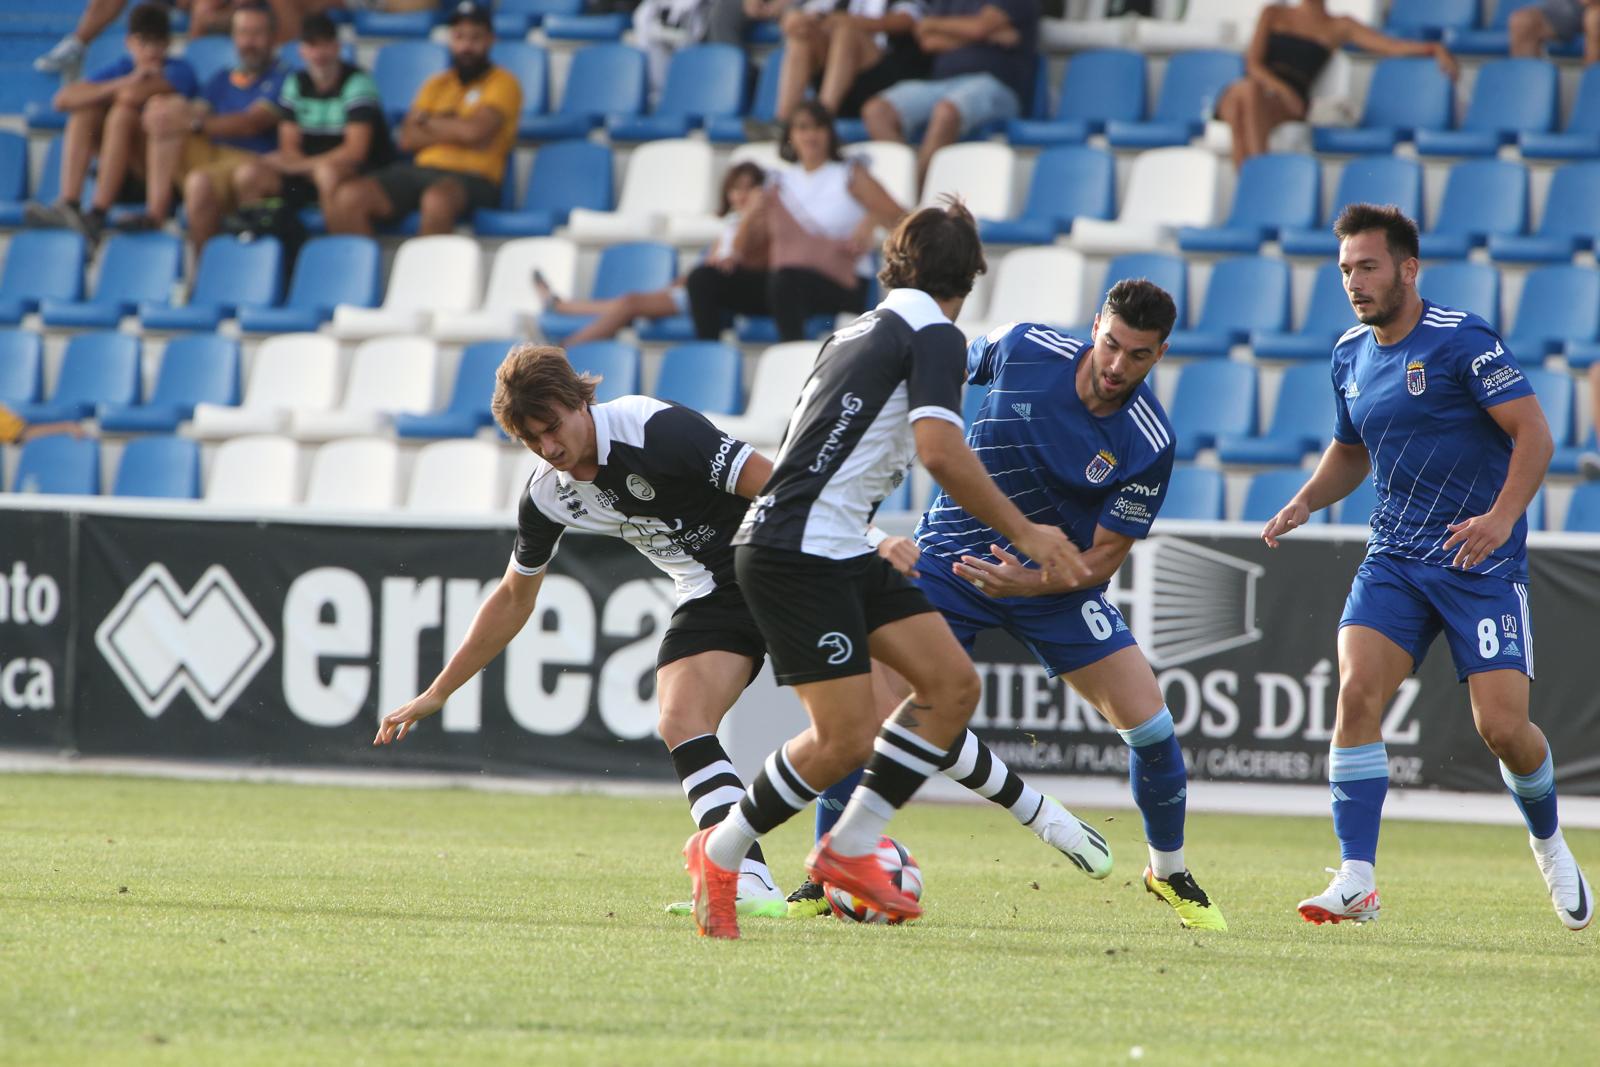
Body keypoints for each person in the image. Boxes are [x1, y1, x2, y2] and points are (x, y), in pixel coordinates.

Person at [375, 344, 1106, 920]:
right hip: (711, 592)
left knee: (897, 710)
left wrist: (874, 538)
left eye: (552, 427)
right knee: (679, 716)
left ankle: (1053, 821)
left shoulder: (657, 428)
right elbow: (512, 597)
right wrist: (436, 692)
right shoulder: (548, 494)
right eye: (531, 439)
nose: (548, 447)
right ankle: (746, 877)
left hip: (784, 560)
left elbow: (780, 482)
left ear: (578, 400)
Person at [681, 199, 1089, 940]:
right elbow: (938, 450)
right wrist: (1027, 530)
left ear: (894, 262)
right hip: (798, 548)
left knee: (952, 684)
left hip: (828, 540)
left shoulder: (855, 330)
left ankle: (843, 847)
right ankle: (728, 848)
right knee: (844, 738)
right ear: (969, 276)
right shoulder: (934, 329)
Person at [795, 288, 1232, 930]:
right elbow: (939, 372)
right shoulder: (1025, 347)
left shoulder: (1149, 440)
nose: (1117, 366)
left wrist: (1029, 584)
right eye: (1110, 345)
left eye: (1138, 356)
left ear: (1160, 354)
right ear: (1095, 329)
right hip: (950, 559)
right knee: (867, 712)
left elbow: (1104, 560)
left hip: (1055, 586)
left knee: (1152, 729)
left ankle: (1167, 872)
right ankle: (825, 872)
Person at [1260, 203, 1592, 931]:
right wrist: (1306, 500)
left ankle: (1550, 843)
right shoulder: (1349, 351)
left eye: (1368, 266)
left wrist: (1502, 517)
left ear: (1409, 269)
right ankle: (1357, 877)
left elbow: (1534, 431)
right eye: (1346, 268)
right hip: (1396, 557)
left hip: (1480, 560)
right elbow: (1352, 449)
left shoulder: (1462, 339)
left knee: (1503, 730)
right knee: (1354, 691)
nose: (1354, 281)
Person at [685, 102, 906, 343]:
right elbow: (750, 243)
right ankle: (710, 359)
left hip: (841, 283)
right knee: (702, 279)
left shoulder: (850, 174)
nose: (810, 135)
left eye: (818, 127)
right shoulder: (779, 182)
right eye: (802, 128)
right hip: (783, 284)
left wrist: (871, 220)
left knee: (786, 281)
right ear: (790, 135)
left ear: (829, 133)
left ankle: (791, 358)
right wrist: (750, 216)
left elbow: (902, 218)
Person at [326, 2, 520, 237]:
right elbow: (408, 138)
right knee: (349, 198)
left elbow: (475, 132)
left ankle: (423, 273)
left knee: (437, 199)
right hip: (421, 171)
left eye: (475, 38)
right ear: (450, 40)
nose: (466, 46)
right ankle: (369, 271)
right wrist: (457, 125)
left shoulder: (504, 82)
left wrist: (428, 121)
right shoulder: (436, 83)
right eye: (459, 37)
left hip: (476, 178)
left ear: (491, 40)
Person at [119, 2, 290, 249]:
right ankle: (155, 212)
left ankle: (200, 272)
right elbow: (197, 110)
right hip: (213, 156)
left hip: (252, 159)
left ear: (273, 38)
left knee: (199, 182)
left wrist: (194, 123)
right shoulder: (224, 76)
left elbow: (252, 123)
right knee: (164, 107)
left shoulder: (282, 76)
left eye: (257, 33)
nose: (249, 42)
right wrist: (170, 113)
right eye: (242, 33)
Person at [536, 164, 766, 346]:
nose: (741, 196)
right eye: (735, 189)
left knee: (629, 304)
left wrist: (751, 214)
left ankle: (564, 346)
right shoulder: (730, 225)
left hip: (710, 298)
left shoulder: (756, 225)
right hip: (693, 291)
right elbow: (710, 264)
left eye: (748, 189)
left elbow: (736, 258)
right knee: (622, 303)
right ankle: (561, 307)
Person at [24, 3, 199, 243]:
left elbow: (132, 97)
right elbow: (63, 99)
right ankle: (70, 202)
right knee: (85, 112)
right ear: (130, 43)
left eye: (158, 43)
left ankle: (98, 212)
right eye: (144, 42)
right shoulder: (123, 69)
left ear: (168, 44)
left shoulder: (179, 70)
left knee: (122, 114)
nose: (151, 51)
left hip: (158, 176)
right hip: (122, 173)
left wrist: (115, 89)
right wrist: (124, 81)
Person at [1216, 0, 1457, 170]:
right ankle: (1258, 177)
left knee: (1243, 103)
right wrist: (1281, 89)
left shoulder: (1339, 25)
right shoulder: (1273, 13)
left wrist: (1432, 48)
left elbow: (1389, 45)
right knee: (1245, 94)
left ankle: (1251, 184)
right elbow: (1253, 64)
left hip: (1289, 104)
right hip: (1266, 88)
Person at [231, 13, 393, 223]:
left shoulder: (358, 82)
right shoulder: (296, 82)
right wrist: (304, 166)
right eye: (312, 45)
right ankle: (260, 238)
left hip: (359, 172)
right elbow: (289, 146)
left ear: (337, 47)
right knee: (249, 174)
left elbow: (355, 152)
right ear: (302, 51)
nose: (319, 54)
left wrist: (303, 166)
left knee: (327, 174)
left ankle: (331, 249)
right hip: (309, 172)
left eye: (325, 45)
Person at [859, 0, 1038, 186]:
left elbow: (978, 28)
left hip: (997, 85)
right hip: (942, 83)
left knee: (946, 111)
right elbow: (927, 39)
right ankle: (905, 187)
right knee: (876, 111)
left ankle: (915, 199)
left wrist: (941, 26)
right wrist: (982, 34)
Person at [774, 0, 930, 123]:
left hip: (884, 75)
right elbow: (810, 11)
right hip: (835, 75)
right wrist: (794, 18)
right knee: (801, 36)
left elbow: (908, 19)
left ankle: (822, 118)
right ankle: (783, 121)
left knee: (846, 31)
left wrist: (850, 22)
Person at [1510, 0, 1600, 64]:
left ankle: (1592, 84)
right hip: (1565, 8)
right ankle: (1526, 85)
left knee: (1594, 20)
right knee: (1522, 22)